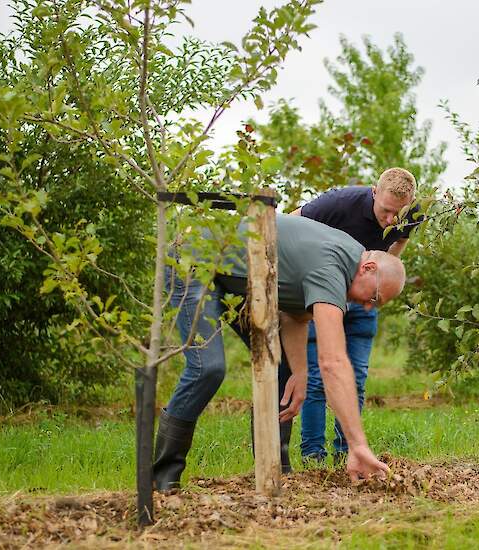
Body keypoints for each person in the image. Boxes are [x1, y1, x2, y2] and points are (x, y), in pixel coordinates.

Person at [152, 213, 405, 490]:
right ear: (368, 268)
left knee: (281, 364)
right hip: (195, 258)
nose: (367, 307)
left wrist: (299, 372)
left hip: (240, 279)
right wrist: (358, 445)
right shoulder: (334, 268)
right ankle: (163, 478)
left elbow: (295, 315)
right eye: (373, 299)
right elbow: (333, 362)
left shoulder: (348, 258)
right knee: (207, 368)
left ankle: (276, 472)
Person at [290, 167, 420, 462]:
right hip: (323, 294)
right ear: (374, 192)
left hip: (363, 297)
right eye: (386, 211)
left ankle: (347, 452)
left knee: (357, 377)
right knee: (316, 377)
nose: (391, 220)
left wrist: (382, 272)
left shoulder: (412, 213)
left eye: (398, 214)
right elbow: (288, 224)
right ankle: (313, 454)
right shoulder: (338, 203)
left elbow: (401, 239)